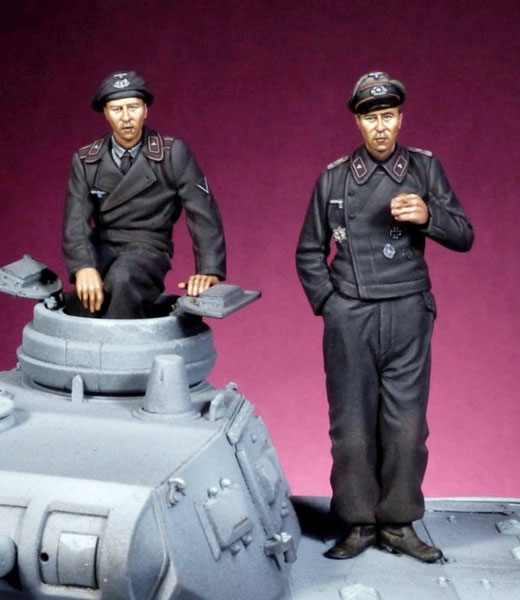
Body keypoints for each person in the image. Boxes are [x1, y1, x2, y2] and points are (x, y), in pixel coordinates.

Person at [296, 72, 473, 562]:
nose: (380, 127)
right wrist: (331, 305)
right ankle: (357, 522)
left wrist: (429, 217)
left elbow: (464, 234)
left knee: (408, 428)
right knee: (351, 428)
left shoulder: (424, 169)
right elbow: (309, 251)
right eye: (371, 117)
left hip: (408, 309)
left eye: (389, 116)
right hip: (351, 313)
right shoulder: (334, 178)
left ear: (401, 118)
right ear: (357, 121)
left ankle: (397, 523)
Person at [62, 70, 226, 318]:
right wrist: (82, 266)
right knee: (82, 300)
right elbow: (76, 220)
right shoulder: (86, 161)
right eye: (117, 109)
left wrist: (209, 270)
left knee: (123, 280)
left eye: (133, 107)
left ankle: (117, 345)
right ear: (106, 113)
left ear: (145, 110)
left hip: (149, 246)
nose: (126, 117)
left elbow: (203, 213)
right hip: (103, 246)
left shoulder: (171, 154)